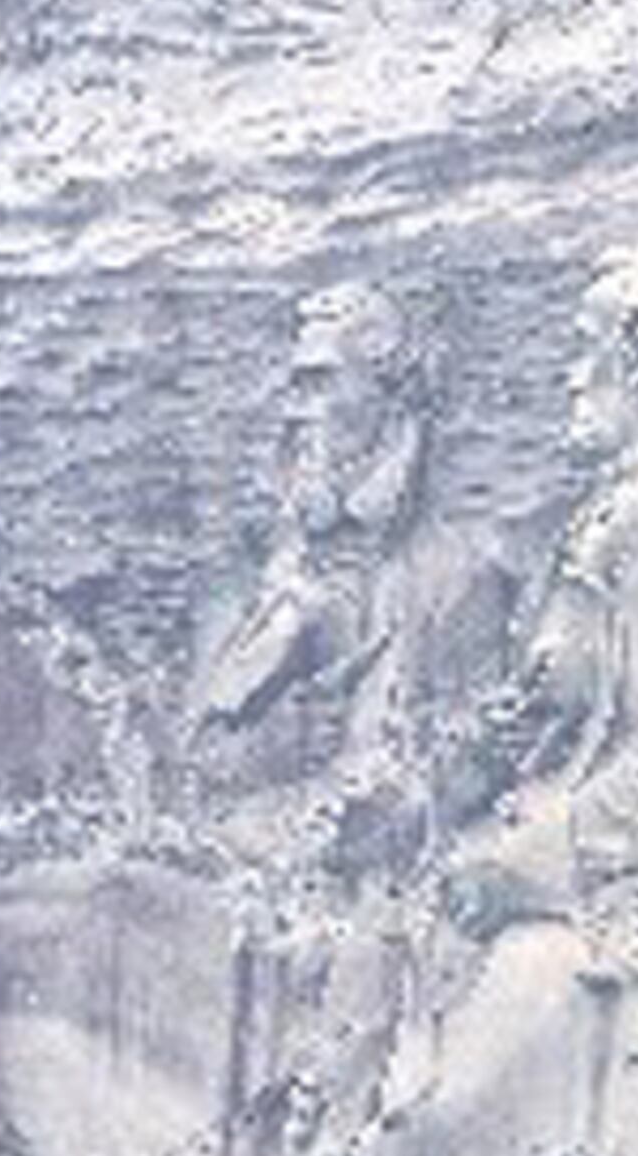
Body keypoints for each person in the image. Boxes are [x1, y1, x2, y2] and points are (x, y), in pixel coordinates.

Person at [381, 246, 638, 1156]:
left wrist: (521, 868)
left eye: (587, 349)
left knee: (440, 1130)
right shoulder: (620, 513)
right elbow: (558, 716)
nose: (571, 374)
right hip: (584, 864)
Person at [183, 281, 511, 887]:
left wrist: (393, 801)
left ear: (387, 397)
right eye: (296, 384)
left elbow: (484, 765)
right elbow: (195, 762)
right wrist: (269, 745)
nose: (298, 409)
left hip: (392, 877)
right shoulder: (247, 574)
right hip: (252, 859)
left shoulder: (462, 575)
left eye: (321, 381)